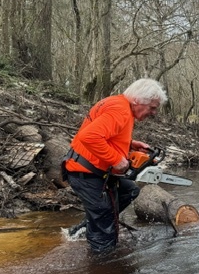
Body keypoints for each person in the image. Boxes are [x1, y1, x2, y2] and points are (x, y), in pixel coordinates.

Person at [62, 78, 168, 253]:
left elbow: (106, 132)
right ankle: (102, 268)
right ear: (137, 100)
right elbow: (89, 136)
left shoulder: (119, 105)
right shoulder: (120, 110)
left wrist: (130, 144)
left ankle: (87, 227)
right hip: (87, 173)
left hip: (91, 171)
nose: (154, 113)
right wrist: (116, 160)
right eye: (153, 107)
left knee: (129, 190)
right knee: (106, 234)